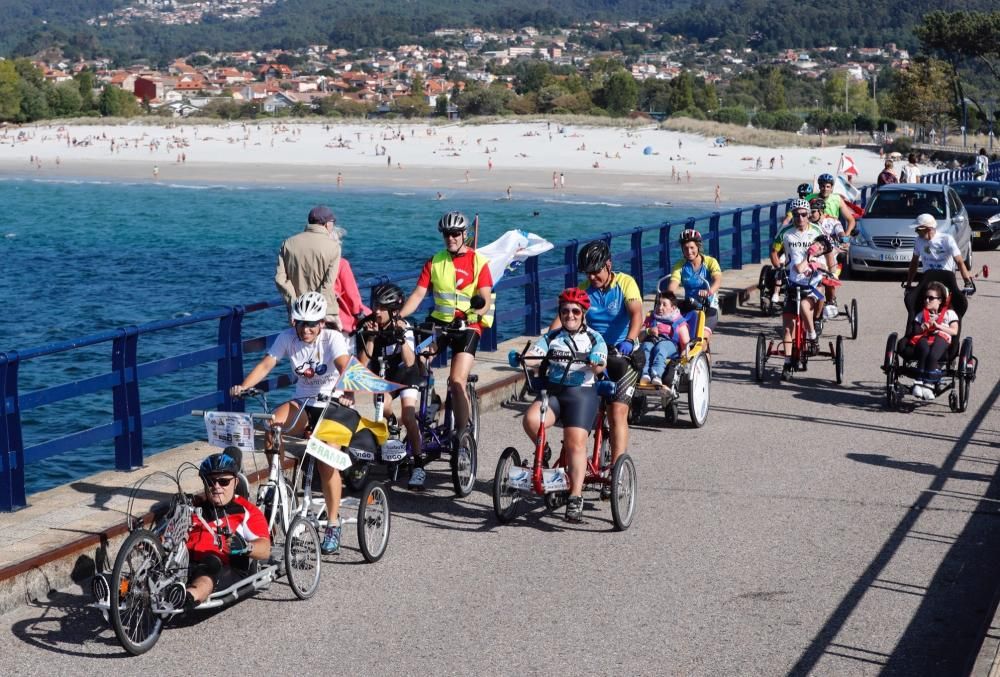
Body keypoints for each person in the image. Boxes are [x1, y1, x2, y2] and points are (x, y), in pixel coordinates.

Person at [229, 292, 352, 554]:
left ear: (321, 323)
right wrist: (243, 386)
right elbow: (266, 365)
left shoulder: (333, 338)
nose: (306, 329)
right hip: (304, 402)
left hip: (333, 403)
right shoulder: (287, 337)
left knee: (327, 461)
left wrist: (349, 389)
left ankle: (333, 523)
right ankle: (280, 484)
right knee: (273, 425)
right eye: (301, 323)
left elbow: (344, 365)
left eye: (312, 323)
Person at [399, 211, 493, 479]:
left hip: (468, 325)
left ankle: (463, 439)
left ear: (465, 235)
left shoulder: (479, 262)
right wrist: (399, 317)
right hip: (439, 324)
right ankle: (429, 405)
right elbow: (419, 294)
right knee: (419, 361)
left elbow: (484, 297)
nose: (450, 238)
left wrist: (476, 308)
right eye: (446, 234)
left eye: (455, 234)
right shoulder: (435, 261)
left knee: (456, 381)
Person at [555, 240, 643, 480]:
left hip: (623, 355)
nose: (592, 277)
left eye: (596, 271)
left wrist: (630, 339)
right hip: (593, 354)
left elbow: (637, 314)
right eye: (588, 273)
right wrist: (547, 342)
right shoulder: (585, 290)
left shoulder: (625, 283)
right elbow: (563, 319)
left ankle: (616, 470)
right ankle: (574, 461)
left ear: (609, 265)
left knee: (616, 412)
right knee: (580, 407)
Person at [523, 288, 607, 523]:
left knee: (574, 444)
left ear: (583, 314)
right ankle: (545, 451)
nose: (570, 315)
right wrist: (526, 359)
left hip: (582, 395)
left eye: (575, 311)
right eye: (565, 311)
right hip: (554, 393)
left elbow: (600, 363)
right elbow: (535, 355)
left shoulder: (594, 338)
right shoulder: (552, 337)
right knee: (530, 420)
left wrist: (595, 361)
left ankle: (575, 496)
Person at [182, 449, 271, 609]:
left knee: (209, 567)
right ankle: (125, 592)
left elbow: (265, 549)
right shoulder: (195, 508)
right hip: (185, 563)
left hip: (222, 567)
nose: (216, 487)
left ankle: (185, 597)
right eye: (210, 482)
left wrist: (246, 547)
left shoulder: (245, 511)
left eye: (223, 482)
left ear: (235, 482)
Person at [357, 283, 424, 487]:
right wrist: (370, 338)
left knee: (409, 415)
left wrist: (401, 337)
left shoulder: (405, 325)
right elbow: (361, 366)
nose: (376, 311)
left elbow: (411, 362)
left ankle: (419, 464)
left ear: (393, 311)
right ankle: (393, 428)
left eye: (381, 308)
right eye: (375, 306)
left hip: (407, 375)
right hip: (385, 378)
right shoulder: (367, 326)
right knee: (383, 408)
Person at [275, 205, 341, 329]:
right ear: (326, 224)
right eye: (333, 222)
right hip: (325, 312)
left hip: (298, 312)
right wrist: (317, 306)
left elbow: (280, 279)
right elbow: (328, 283)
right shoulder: (333, 247)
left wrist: (294, 302)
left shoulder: (288, 243)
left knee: (300, 347)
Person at [779, 200, 824, 380]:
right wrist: (778, 264)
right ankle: (787, 362)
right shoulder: (786, 234)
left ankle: (812, 336)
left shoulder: (817, 232)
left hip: (812, 282)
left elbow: (828, 252)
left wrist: (823, 267)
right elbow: (777, 252)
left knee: (806, 307)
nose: (800, 218)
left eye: (804, 214)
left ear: (808, 214)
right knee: (788, 326)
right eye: (796, 214)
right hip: (793, 282)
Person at [659, 229, 722, 336]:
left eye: (692, 247)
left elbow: (717, 280)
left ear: (698, 247)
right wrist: (667, 296)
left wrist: (709, 291)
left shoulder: (710, 262)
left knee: (702, 338)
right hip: (690, 306)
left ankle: (705, 349)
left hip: (709, 307)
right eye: (685, 248)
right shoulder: (680, 265)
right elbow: (674, 283)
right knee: (679, 335)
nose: (689, 251)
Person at [903, 281, 958, 400]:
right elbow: (914, 330)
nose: (927, 300)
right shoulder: (921, 314)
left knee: (933, 354)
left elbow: (954, 331)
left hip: (942, 337)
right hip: (924, 337)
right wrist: (922, 327)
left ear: (940, 300)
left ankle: (929, 384)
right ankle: (918, 383)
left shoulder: (949, 313)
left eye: (931, 298)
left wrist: (938, 326)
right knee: (924, 350)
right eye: (925, 298)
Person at [905, 214, 973, 289]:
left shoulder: (946, 239)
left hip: (946, 277)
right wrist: (908, 283)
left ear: (928, 229)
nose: (916, 231)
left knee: (960, 299)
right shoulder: (918, 240)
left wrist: (967, 281)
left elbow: (959, 261)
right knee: (910, 298)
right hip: (928, 277)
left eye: (918, 230)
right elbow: (914, 262)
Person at [638, 291, 689, 387]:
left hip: (670, 344)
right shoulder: (651, 317)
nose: (660, 307)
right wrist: (648, 331)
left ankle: (656, 374)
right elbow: (639, 338)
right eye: (658, 304)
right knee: (646, 346)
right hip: (652, 340)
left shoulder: (679, 321)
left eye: (664, 305)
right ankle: (645, 374)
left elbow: (685, 343)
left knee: (661, 347)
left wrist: (683, 359)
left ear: (672, 308)